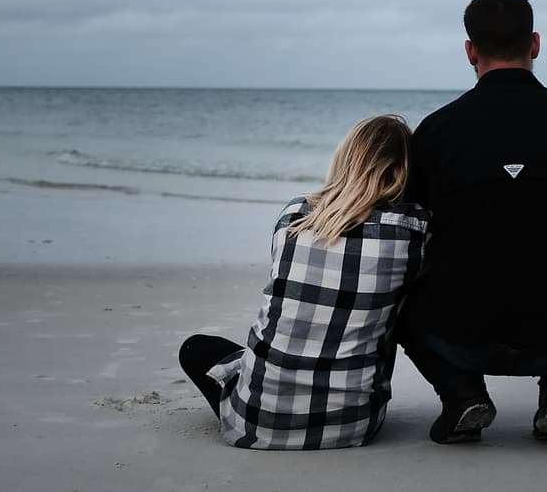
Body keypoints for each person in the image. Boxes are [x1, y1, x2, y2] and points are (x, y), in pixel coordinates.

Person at [399, 0, 547, 446]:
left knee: (403, 288)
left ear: (470, 51)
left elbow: (415, 236)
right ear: (535, 44)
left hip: (458, 336)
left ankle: (461, 395)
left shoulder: (435, 130)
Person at [178, 115, 428, 449]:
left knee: (196, 348)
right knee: (388, 312)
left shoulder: (295, 213)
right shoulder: (414, 231)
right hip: (353, 426)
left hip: (254, 422)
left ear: (346, 159)